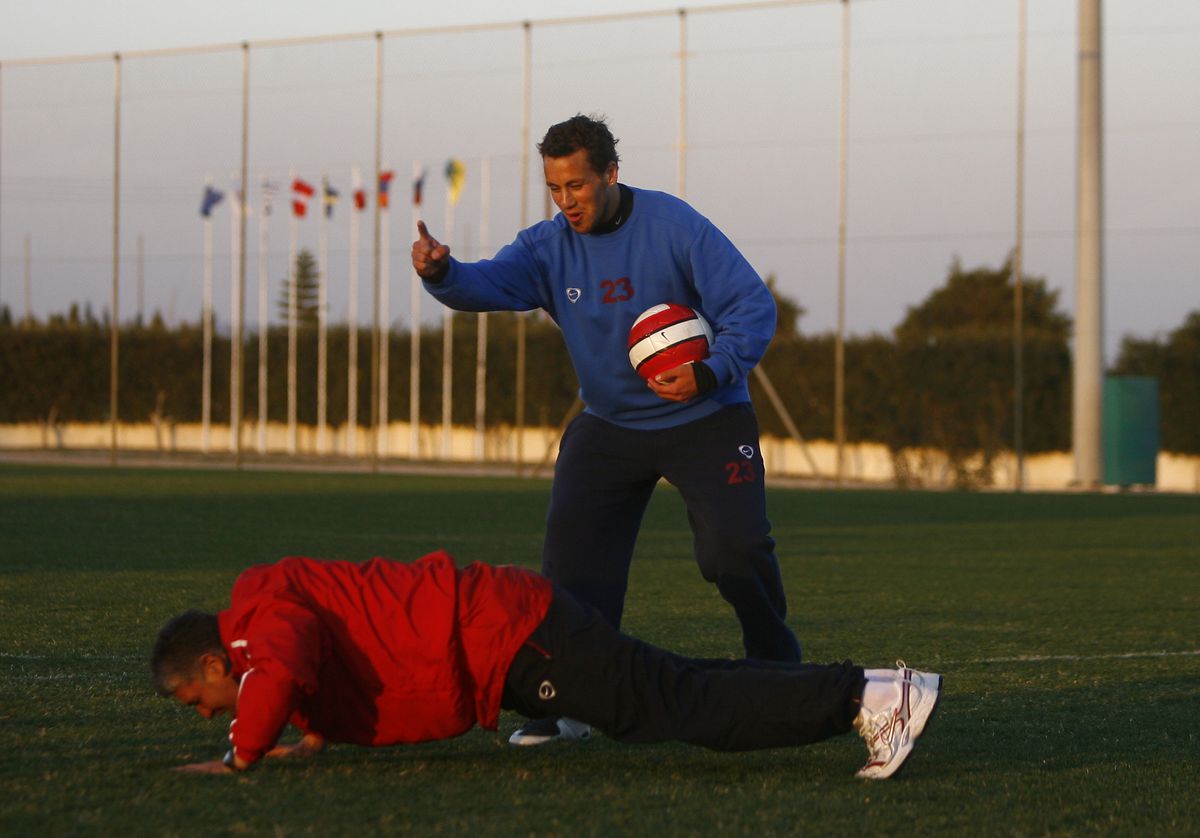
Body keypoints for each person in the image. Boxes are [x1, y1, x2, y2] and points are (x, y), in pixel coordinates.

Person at [412, 114, 801, 745]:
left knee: (735, 553)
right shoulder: (546, 246)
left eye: (578, 186)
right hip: (609, 426)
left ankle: (779, 664)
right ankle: (571, 704)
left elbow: (751, 306)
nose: (566, 202)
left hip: (706, 414)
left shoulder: (675, 226)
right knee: (571, 575)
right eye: (555, 189)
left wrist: (712, 371)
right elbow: (483, 283)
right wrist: (441, 273)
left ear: (611, 174)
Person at [152, 551, 942, 781]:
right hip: (516, 630)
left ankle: (871, 699)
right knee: (678, 686)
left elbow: (283, 667)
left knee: (675, 705)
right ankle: (870, 689)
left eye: (199, 698)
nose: (206, 711)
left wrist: (241, 757)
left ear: (217, 660)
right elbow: (326, 661)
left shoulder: (259, 621)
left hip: (516, 637)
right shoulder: (269, 612)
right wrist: (314, 738)